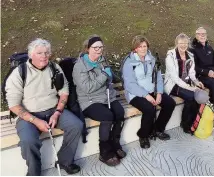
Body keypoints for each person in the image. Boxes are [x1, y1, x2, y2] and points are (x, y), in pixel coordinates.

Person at [5, 38, 82, 175]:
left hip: (53, 109)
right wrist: (36, 121)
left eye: (46, 52)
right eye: (39, 53)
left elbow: (64, 91)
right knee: (28, 141)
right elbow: (14, 105)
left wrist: (57, 112)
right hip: (28, 115)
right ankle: (34, 172)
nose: (44, 56)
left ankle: (65, 161)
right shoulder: (19, 72)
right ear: (31, 55)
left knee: (76, 125)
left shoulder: (54, 68)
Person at [73, 35, 126, 166]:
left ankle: (115, 143)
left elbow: (111, 77)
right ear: (87, 49)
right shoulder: (80, 66)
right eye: (95, 47)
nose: (98, 50)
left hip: (106, 96)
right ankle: (105, 151)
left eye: (101, 47)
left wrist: (118, 78)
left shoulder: (102, 61)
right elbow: (87, 88)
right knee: (107, 116)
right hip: (89, 100)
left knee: (119, 112)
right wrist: (103, 75)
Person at [122, 35, 176, 149]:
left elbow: (158, 78)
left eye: (145, 46)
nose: (143, 49)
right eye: (140, 46)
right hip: (135, 94)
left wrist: (160, 93)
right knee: (149, 108)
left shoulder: (152, 59)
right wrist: (146, 95)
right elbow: (130, 84)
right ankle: (143, 135)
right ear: (135, 49)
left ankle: (157, 129)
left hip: (152, 90)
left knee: (170, 103)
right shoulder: (129, 62)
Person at [164, 33, 206, 133]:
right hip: (173, 85)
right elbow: (175, 79)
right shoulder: (170, 56)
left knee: (197, 96)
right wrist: (191, 88)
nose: (183, 45)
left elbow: (191, 74)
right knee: (192, 96)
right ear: (177, 43)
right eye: (181, 43)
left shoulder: (190, 56)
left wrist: (197, 82)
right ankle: (185, 124)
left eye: (185, 43)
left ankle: (192, 121)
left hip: (185, 84)